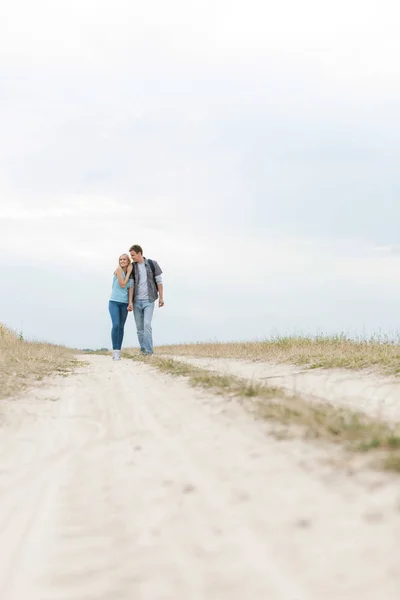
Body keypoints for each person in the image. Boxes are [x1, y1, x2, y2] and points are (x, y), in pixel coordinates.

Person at [129, 244, 164, 355]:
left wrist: (161, 297)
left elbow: (159, 281)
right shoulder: (132, 267)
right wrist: (130, 301)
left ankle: (149, 351)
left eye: (133, 255)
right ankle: (143, 350)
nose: (132, 258)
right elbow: (131, 285)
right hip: (136, 302)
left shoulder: (152, 264)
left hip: (149, 300)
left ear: (139, 253)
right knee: (139, 328)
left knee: (147, 324)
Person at [108, 254, 134, 360]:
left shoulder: (132, 277)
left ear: (128, 261)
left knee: (121, 327)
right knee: (116, 325)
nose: (122, 261)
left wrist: (130, 303)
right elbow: (123, 284)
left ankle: (118, 351)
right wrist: (128, 272)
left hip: (124, 304)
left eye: (124, 259)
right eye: (120, 259)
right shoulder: (118, 270)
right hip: (114, 302)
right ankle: (114, 350)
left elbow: (130, 291)